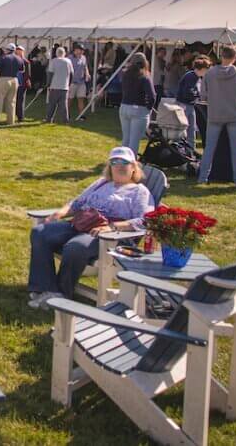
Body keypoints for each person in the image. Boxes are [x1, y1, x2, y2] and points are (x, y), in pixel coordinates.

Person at [26, 146, 154, 307]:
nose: (119, 166)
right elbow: (78, 202)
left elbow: (145, 220)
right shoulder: (101, 183)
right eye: (115, 162)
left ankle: (61, 294)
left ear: (134, 167)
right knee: (40, 232)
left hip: (108, 235)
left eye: (124, 162)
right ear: (110, 166)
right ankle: (45, 288)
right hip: (82, 222)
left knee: (75, 247)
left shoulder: (140, 192)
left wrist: (113, 227)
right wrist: (60, 213)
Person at [197, 46, 236, 189]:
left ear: (221, 56)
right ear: (234, 57)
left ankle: (202, 178)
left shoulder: (209, 74)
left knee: (209, 148)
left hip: (214, 115)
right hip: (234, 115)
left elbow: (203, 96)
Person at [118, 52, 155, 154]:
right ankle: (131, 165)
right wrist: (149, 108)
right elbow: (152, 95)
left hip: (124, 106)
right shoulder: (145, 76)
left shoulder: (124, 74)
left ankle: (122, 161)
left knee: (126, 139)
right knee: (134, 140)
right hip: (139, 108)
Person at [176, 56, 210, 145]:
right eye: (207, 69)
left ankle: (191, 149)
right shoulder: (191, 76)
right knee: (183, 129)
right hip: (184, 105)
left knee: (192, 129)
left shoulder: (196, 77)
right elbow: (187, 92)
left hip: (191, 105)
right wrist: (197, 95)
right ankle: (182, 147)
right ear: (202, 69)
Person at [0, 43, 21, 125]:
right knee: (11, 102)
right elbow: (21, 70)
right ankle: (10, 121)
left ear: (7, 50)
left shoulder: (3, 58)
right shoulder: (18, 58)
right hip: (15, 80)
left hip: (3, 79)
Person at [46, 46, 74, 124]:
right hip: (64, 87)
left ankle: (49, 119)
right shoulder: (68, 61)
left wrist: (48, 84)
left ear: (56, 53)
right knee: (63, 105)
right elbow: (72, 74)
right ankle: (65, 120)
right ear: (64, 53)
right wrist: (69, 83)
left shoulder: (53, 61)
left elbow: (50, 74)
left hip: (54, 86)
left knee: (52, 104)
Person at [68, 43, 91, 117]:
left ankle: (81, 115)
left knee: (81, 99)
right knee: (70, 100)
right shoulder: (70, 58)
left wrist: (87, 74)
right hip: (72, 82)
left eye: (81, 50)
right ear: (74, 50)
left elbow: (85, 67)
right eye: (78, 50)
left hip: (81, 82)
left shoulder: (83, 58)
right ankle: (66, 114)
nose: (80, 52)